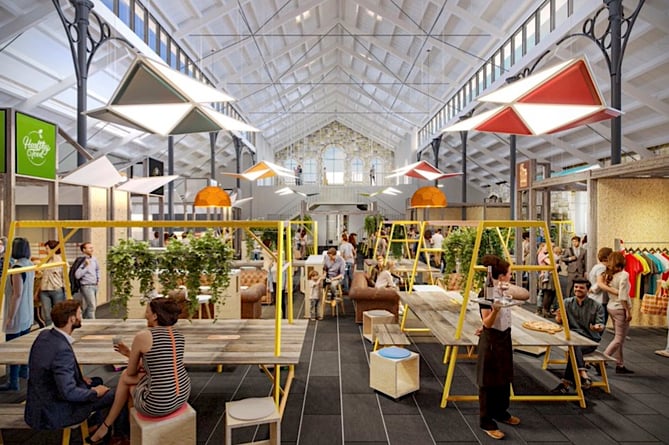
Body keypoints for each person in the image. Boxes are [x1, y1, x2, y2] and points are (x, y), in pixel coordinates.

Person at [87, 297, 191, 444]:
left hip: (158, 403)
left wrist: (130, 355)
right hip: (182, 394)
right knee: (131, 380)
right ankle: (115, 430)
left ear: (155, 316)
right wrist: (129, 353)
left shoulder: (144, 336)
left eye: (147, 312)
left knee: (125, 377)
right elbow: (159, 364)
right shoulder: (179, 336)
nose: (145, 315)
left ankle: (112, 428)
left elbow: (131, 372)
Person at [25, 300, 114, 430]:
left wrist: (78, 377)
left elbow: (48, 370)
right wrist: (94, 393)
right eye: (79, 314)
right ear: (72, 319)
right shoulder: (62, 350)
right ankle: (107, 434)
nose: (81, 317)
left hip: (37, 406)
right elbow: (68, 392)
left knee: (97, 381)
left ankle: (94, 426)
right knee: (115, 393)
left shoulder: (44, 335)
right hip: (56, 412)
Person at [476, 255, 529, 440]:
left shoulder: (503, 291)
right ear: (502, 276)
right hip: (491, 340)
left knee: (505, 377)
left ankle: (501, 412)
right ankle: (486, 421)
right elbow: (488, 323)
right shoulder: (486, 294)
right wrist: (496, 309)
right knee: (488, 382)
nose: (511, 276)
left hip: (504, 337)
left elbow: (525, 294)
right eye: (509, 274)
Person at [551, 279, 605, 394]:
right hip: (574, 338)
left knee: (574, 348)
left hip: (590, 340)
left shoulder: (596, 306)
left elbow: (600, 325)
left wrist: (597, 327)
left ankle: (567, 383)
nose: (577, 290)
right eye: (576, 287)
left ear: (588, 290)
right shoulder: (566, 302)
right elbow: (559, 322)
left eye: (581, 288)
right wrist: (559, 317)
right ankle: (582, 376)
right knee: (574, 347)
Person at [1, 237, 35, 391]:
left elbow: (17, 294)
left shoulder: (17, 268)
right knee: (24, 345)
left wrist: (10, 317)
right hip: (28, 311)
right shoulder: (30, 264)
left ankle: (13, 381)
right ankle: (24, 373)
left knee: (13, 346)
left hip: (18, 311)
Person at [597, 251, 634, 374]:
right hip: (620, 308)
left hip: (611, 306)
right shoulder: (624, 275)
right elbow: (623, 296)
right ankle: (600, 360)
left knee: (620, 337)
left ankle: (620, 364)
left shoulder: (608, 275)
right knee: (619, 338)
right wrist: (628, 311)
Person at [39, 240, 66, 327]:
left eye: (47, 248)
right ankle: (48, 330)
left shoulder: (61, 261)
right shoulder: (46, 260)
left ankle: (58, 330)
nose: (46, 251)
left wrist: (66, 290)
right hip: (44, 289)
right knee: (47, 314)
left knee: (58, 313)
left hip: (56, 289)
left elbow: (65, 277)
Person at [74, 242, 100, 319]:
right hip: (86, 286)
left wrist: (98, 279)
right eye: (90, 248)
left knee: (91, 306)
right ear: (84, 250)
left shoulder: (94, 259)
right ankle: (92, 323)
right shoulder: (81, 260)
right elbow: (77, 275)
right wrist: (86, 266)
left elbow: (97, 269)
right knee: (92, 306)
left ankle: (84, 319)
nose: (92, 249)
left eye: (92, 247)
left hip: (94, 285)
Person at [588, 247, 613, 326]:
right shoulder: (602, 268)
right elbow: (600, 283)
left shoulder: (597, 266)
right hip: (599, 299)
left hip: (595, 299)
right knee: (599, 324)